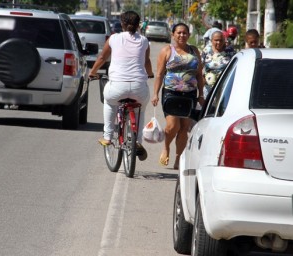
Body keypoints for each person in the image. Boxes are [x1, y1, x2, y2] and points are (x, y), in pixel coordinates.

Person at [89, 10, 154, 161]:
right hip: (139, 87)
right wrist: (149, 74)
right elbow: (146, 62)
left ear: (122, 24)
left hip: (117, 86)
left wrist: (92, 72)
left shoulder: (113, 38)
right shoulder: (144, 41)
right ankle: (137, 140)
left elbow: (102, 57)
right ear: (139, 25)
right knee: (140, 110)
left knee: (109, 102)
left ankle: (107, 136)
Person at [151, 23, 204, 170]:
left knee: (184, 127)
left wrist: (201, 94)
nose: (182, 35)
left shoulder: (194, 51)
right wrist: (155, 93)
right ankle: (166, 147)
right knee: (172, 126)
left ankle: (178, 159)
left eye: (185, 33)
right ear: (173, 34)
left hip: (190, 94)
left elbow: (199, 74)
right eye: (179, 33)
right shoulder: (167, 51)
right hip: (171, 93)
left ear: (189, 34)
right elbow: (160, 74)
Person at [201, 30, 236, 98]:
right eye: (216, 40)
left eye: (221, 40)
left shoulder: (230, 51)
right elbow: (199, 66)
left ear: (224, 40)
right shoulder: (206, 50)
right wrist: (202, 79)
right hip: (209, 87)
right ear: (211, 41)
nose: (218, 42)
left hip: (225, 86)